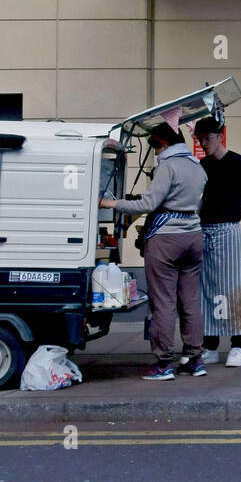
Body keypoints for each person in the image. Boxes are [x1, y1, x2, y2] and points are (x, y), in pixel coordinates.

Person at [100, 122, 207, 380]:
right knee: (190, 302)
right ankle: (195, 359)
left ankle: (163, 364)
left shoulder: (167, 166)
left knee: (164, 303)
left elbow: (149, 203)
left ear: (164, 144)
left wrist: (111, 202)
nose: (156, 154)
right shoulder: (197, 166)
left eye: (156, 148)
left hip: (166, 240)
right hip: (193, 237)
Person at [192, 116, 241, 368]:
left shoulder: (238, 162)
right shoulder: (202, 165)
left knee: (234, 286)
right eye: (201, 138)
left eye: (208, 138)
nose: (204, 143)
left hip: (228, 228)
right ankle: (210, 345)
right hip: (205, 228)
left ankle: (239, 345)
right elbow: (200, 196)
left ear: (219, 136)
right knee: (207, 289)